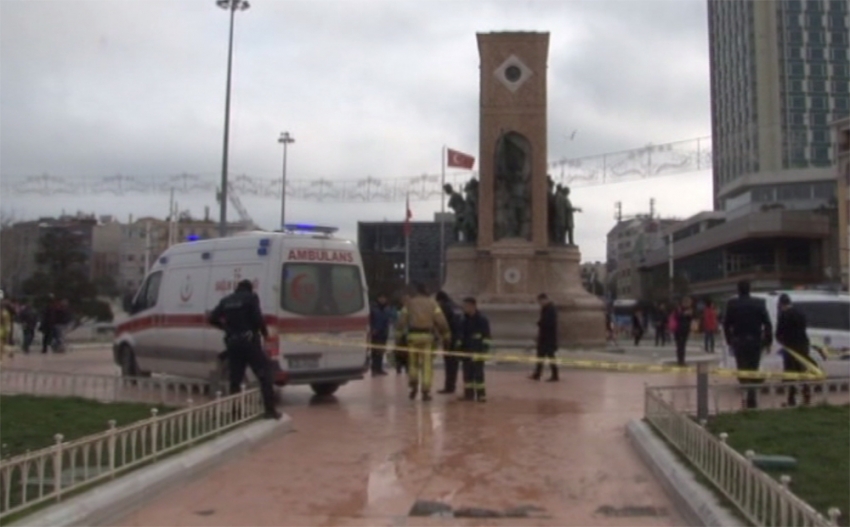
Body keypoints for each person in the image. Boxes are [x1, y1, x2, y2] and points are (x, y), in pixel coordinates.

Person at [208, 280, 281, 420]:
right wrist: (265, 335)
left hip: (233, 344)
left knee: (235, 379)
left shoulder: (226, 300)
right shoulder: (251, 298)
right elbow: (258, 319)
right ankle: (270, 411)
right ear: (250, 289)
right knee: (264, 375)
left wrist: (226, 329)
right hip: (250, 343)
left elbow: (212, 318)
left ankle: (235, 413)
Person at [723, 280, 773, 409]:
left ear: (738, 290)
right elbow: (767, 323)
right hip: (755, 341)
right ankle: (751, 396)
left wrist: (729, 340)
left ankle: (748, 395)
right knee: (753, 368)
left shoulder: (732, 304)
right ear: (749, 289)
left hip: (739, 341)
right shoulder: (759, 303)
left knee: (742, 369)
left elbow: (726, 324)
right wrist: (767, 340)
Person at [397, 283, 450, 401]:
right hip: (427, 338)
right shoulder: (432, 303)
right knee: (427, 364)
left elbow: (401, 322)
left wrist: (398, 337)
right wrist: (446, 336)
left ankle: (413, 386)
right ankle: (425, 390)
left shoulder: (410, 303)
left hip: (412, 337)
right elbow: (441, 321)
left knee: (413, 363)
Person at [775, 294, 814, 407]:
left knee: (791, 373)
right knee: (803, 370)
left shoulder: (784, 315)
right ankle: (806, 395)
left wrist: (782, 341)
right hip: (802, 345)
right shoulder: (800, 313)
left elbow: (779, 333)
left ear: (781, 304)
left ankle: (791, 398)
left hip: (790, 348)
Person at [458, 297, 491, 402]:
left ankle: (481, 395)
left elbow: (487, 337)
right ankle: (469, 395)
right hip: (466, 351)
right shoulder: (463, 320)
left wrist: (484, 350)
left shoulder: (482, 320)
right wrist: (459, 348)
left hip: (478, 350)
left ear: (472, 306)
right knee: (467, 374)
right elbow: (461, 336)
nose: (464, 308)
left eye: (466, 306)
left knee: (478, 374)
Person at [435, 291, 463, 395]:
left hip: (449, 338)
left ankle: (449, 387)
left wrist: (439, 337)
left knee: (449, 363)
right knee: (454, 363)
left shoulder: (444, 308)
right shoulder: (456, 306)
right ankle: (452, 385)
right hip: (459, 337)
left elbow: (442, 324)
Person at [531, 293, 559, 382]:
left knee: (551, 357)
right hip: (543, 337)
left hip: (549, 338)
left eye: (540, 301)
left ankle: (555, 375)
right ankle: (537, 374)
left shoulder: (551, 309)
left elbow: (549, 323)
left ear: (544, 299)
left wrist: (540, 323)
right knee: (540, 356)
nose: (540, 303)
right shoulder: (545, 309)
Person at [368, 294, 391, 376]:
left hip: (384, 333)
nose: (383, 299)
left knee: (381, 351)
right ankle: (374, 369)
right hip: (376, 332)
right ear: (378, 298)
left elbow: (388, 320)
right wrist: (372, 329)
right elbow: (370, 320)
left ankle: (379, 368)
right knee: (375, 352)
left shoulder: (387, 309)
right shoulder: (374, 309)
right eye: (381, 298)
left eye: (384, 298)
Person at [671, 297, 694, 366]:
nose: (689, 304)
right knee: (679, 345)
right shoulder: (679, 309)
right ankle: (680, 360)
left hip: (685, 329)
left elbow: (690, 319)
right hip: (678, 329)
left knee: (683, 345)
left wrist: (690, 315)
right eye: (688, 303)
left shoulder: (689, 310)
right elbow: (676, 317)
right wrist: (684, 314)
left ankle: (682, 360)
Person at [393, 294, 410, 375]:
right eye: (405, 300)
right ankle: (399, 367)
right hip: (401, 334)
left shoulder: (410, 310)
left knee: (407, 352)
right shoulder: (398, 310)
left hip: (408, 334)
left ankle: (407, 367)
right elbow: (398, 323)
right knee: (399, 352)